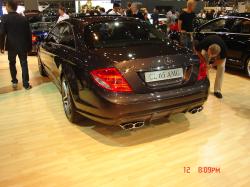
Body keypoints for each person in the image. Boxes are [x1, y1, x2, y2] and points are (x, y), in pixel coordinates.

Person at [0, 0, 32, 90]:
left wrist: (1, 47)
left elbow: (1, 33)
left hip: (11, 46)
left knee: (12, 63)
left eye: (6, 6)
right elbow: (28, 34)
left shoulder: (4, 18)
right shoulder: (23, 18)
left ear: (9, 7)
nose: (5, 7)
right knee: (24, 64)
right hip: (22, 46)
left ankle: (14, 81)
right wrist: (30, 47)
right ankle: (26, 84)